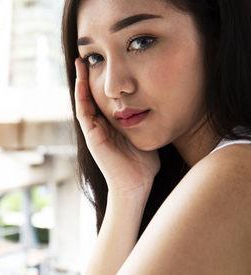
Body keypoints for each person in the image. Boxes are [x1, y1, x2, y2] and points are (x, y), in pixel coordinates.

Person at [61, 0, 251, 274]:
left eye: (140, 42)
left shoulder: (234, 171)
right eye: (94, 58)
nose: (114, 87)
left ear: (215, 35)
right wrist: (126, 191)